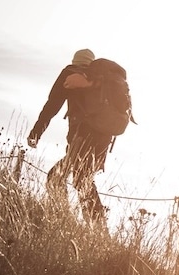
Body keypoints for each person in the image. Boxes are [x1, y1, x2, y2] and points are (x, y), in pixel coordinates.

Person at [27, 48, 111, 228]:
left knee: (57, 178)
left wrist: (36, 132)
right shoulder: (102, 82)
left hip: (81, 137)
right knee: (83, 181)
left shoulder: (71, 73)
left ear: (75, 61)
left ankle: (65, 222)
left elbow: (52, 105)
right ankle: (97, 227)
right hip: (104, 141)